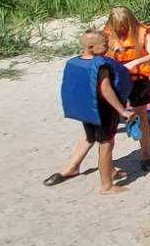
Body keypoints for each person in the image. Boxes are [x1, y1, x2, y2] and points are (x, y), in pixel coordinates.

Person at [46, 32, 134, 193]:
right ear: (91, 47)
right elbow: (106, 89)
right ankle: (106, 185)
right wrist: (122, 110)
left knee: (92, 137)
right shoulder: (100, 66)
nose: (107, 46)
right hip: (103, 110)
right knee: (107, 144)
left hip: (87, 109)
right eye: (104, 44)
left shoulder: (75, 62)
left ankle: (110, 170)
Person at [103, 6, 150, 172]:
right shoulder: (106, 34)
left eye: (125, 27)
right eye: (118, 27)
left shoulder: (143, 32)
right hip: (117, 80)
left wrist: (134, 62)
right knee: (110, 117)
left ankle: (146, 154)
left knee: (142, 116)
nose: (122, 31)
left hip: (138, 80)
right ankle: (108, 162)